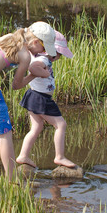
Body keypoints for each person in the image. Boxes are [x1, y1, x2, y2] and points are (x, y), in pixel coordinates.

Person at [0, 21, 56, 182]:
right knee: (5, 132)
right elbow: (16, 85)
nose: (42, 52)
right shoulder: (25, 56)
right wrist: (34, 75)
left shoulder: (9, 37)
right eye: (43, 48)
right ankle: (12, 180)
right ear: (35, 42)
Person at [16, 31, 77, 170]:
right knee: (61, 125)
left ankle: (23, 155)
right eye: (59, 53)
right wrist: (43, 73)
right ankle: (59, 156)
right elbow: (33, 67)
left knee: (36, 127)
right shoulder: (43, 59)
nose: (60, 57)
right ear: (53, 50)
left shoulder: (37, 56)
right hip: (41, 98)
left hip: (33, 95)